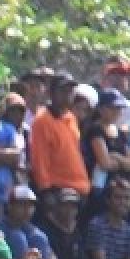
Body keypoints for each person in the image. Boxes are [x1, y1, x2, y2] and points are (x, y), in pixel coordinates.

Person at [29, 72, 91, 206]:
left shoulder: (71, 117)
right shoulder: (42, 120)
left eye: (70, 90)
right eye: (63, 90)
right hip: (58, 191)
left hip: (79, 189)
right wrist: (45, 191)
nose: (68, 94)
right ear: (51, 93)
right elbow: (39, 159)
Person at [82, 89, 130, 206]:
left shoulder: (120, 133)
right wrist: (121, 163)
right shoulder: (95, 130)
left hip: (121, 186)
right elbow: (104, 163)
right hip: (101, 188)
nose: (116, 112)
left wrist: (116, 156)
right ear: (101, 109)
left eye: (119, 108)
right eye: (112, 108)